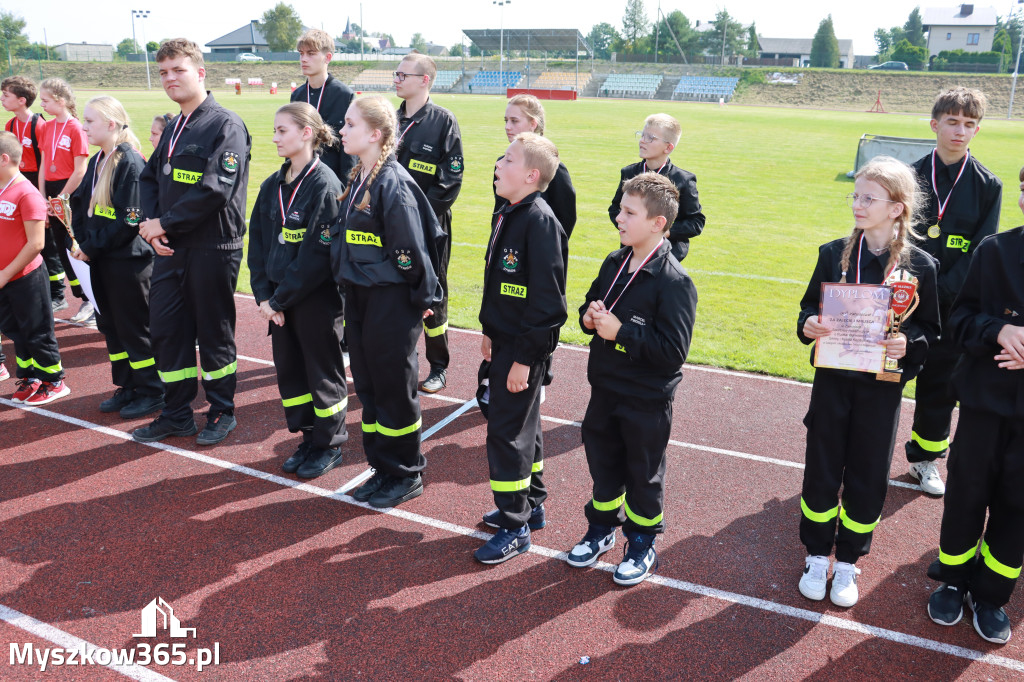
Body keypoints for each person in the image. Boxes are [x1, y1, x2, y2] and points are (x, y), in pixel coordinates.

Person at [796, 157, 940, 608]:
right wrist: (811, 325)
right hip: (833, 385)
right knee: (822, 468)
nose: (858, 204)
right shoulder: (831, 253)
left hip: (881, 391)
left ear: (896, 208)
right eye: (855, 196)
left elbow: (930, 332)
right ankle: (818, 555)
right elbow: (804, 313)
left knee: (867, 476)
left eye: (869, 198)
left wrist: (908, 346)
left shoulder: (922, 267)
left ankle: (850, 560)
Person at [566, 172, 698, 586]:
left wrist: (621, 332)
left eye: (628, 212)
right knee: (603, 466)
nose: (618, 219)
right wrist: (589, 318)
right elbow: (592, 304)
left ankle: (641, 542)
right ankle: (601, 529)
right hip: (605, 389)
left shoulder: (675, 282)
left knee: (642, 473)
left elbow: (673, 353)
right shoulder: (614, 261)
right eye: (620, 210)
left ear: (658, 223)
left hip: (645, 399)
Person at [134, 38, 251, 446]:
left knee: (214, 333)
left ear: (200, 73)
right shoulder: (174, 126)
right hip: (171, 248)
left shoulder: (225, 124)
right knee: (167, 331)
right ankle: (177, 414)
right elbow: (149, 178)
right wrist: (153, 224)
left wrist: (164, 222)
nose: (170, 78)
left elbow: (215, 189)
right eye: (164, 71)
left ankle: (222, 411)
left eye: (178, 70)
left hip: (212, 248)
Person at [924, 166, 1024, 645]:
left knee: (1018, 504)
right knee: (966, 492)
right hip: (985, 404)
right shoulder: (996, 251)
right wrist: (998, 331)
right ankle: (952, 579)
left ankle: (992, 595)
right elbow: (960, 320)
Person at [331, 94, 443, 508]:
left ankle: (406, 473)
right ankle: (382, 468)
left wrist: (423, 297)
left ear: (375, 134)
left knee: (395, 389)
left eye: (350, 125)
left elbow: (412, 251)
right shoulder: (358, 176)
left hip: (390, 302)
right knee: (371, 388)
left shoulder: (391, 183)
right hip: (359, 298)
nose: (341, 131)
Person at [904, 87, 1002, 496]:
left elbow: (983, 248)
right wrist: (911, 288)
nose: (960, 131)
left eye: (969, 124)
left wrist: (941, 291)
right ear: (935, 124)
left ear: (977, 130)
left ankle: (924, 460)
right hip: (902, 298)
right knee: (885, 376)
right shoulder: (907, 175)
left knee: (941, 385)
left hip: (950, 305)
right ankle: (864, 450)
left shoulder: (987, 185)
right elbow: (893, 233)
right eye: (952, 122)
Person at [474, 132, 567, 564]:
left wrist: (525, 360)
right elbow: (500, 283)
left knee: (507, 434)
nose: (498, 163)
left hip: (523, 347)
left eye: (507, 159)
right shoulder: (510, 211)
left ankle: (515, 527)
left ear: (531, 175)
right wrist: (489, 328)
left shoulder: (540, 221)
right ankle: (532, 507)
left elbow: (549, 305)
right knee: (523, 428)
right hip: (506, 338)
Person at [248, 102, 347, 479]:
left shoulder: (325, 185)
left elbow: (316, 258)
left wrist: (278, 299)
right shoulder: (272, 184)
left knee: (321, 372)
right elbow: (257, 243)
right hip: (277, 302)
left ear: (306, 133)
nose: (274, 138)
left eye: (282, 130)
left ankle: (330, 443)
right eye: (274, 130)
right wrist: (262, 296)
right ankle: (309, 436)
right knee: (292, 373)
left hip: (313, 302)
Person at [69, 96, 163, 419]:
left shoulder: (130, 162)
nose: (83, 126)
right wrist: (84, 240)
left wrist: (92, 246)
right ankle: (128, 386)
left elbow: (130, 220)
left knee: (134, 329)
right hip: (103, 261)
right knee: (111, 327)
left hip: (129, 264)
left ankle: (152, 390)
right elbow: (80, 204)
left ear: (111, 124)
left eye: (90, 121)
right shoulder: (99, 160)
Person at [393, 51, 463, 394]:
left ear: (425, 80)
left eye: (404, 74)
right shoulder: (388, 121)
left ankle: (439, 366)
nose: (397, 78)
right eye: (396, 73)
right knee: (392, 291)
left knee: (434, 296)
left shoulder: (443, 121)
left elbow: (451, 181)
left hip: (430, 227)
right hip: (388, 228)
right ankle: (396, 358)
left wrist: (418, 219)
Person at [0, 130, 69, 405]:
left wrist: (6, 273)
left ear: (4, 159)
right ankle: (30, 377)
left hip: (24, 276)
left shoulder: (25, 192)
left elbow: (36, 243)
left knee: (37, 331)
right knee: (15, 330)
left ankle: (54, 381)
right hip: (5, 277)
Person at [609, 113, 704, 262]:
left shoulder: (684, 180)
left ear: (668, 147)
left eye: (650, 138)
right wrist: (630, 228)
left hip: (666, 255)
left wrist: (662, 232)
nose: (642, 141)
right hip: (632, 252)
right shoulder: (629, 172)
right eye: (642, 135)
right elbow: (615, 208)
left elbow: (696, 222)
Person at [37, 78, 92, 324]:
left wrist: (61, 198)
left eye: (46, 100)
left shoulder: (76, 128)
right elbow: (43, 165)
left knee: (75, 243)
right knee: (61, 248)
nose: (42, 104)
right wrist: (41, 197)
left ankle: (91, 297)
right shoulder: (47, 127)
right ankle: (81, 295)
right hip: (50, 191)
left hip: (70, 191)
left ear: (60, 100)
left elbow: (80, 169)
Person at [494, 94, 576, 237]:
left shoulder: (555, 169)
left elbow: (566, 218)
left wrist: (549, 247)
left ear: (533, 124)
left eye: (514, 121)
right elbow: (499, 211)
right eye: (506, 121)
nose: (507, 127)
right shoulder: (501, 164)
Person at [290, 29, 355, 186]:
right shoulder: (297, 96)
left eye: (311, 53)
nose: (304, 59)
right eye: (301, 53)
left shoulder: (344, 95)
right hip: (300, 182)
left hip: (331, 185)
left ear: (328, 57)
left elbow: (350, 151)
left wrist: (345, 189)